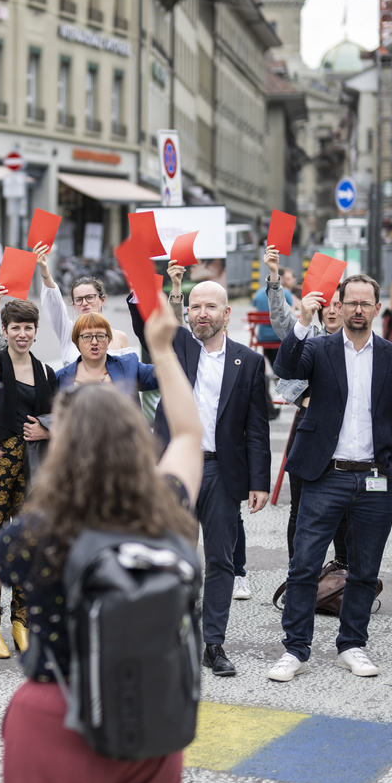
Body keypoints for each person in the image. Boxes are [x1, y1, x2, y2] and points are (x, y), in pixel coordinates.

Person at [0, 300, 201, 783]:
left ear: (63, 443)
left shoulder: (45, 529)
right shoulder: (166, 508)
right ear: (135, 438)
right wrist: (160, 347)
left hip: (55, 716)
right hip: (153, 710)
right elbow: (186, 436)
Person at [270, 274, 392, 682]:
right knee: (304, 566)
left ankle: (352, 645)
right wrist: (302, 320)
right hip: (324, 476)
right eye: (350, 302)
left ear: (376, 308)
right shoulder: (318, 347)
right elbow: (285, 368)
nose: (357, 309)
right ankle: (295, 649)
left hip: (373, 478)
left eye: (365, 303)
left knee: (365, 571)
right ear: (339, 305)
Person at [154, 272, 270, 677]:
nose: (201, 314)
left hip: (223, 470)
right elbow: (154, 324)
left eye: (209, 307)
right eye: (195, 307)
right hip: (178, 468)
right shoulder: (179, 348)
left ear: (226, 312)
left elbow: (257, 426)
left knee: (220, 559)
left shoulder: (250, 361)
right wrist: (171, 288)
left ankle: (213, 644)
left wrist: (259, 481)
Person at [0, 283, 59, 658]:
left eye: (28, 328)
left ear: (36, 331)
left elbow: (60, 415)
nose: (22, 334)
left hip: (33, 469)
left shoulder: (46, 372)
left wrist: (46, 426)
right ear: (4, 331)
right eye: (15, 328)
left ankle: (22, 622)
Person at [263, 248, 351, 568]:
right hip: (309, 425)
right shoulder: (308, 333)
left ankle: (342, 572)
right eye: (327, 304)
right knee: (300, 508)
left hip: (344, 432)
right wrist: (274, 275)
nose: (332, 310)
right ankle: (297, 571)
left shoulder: (357, 342)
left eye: (339, 305)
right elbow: (280, 318)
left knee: (343, 508)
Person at [35, 248, 132, 365]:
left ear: (102, 300)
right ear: (74, 304)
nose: (85, 303)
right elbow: (53, 302)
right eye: (79, 299)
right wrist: (44, 270)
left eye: (90, 297)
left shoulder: (120, 337)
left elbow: (130, 375)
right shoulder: (68, 331)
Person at [54, 312, 156, 394]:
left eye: (100, 336)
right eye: (87, 337)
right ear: (77, 342)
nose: (94, 342)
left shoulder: (128, 366)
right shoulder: (60, 377)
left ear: (109, 340)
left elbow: (162, 374)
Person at [251, 264, 297, 363]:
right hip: (280, 336)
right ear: (283, 278)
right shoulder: (286, 293)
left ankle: (275, 370)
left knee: (271, 353)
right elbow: (292, 315)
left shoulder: (258, 294)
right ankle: (279, 371)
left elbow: (254, 314)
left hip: (263, 337)